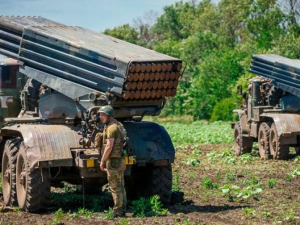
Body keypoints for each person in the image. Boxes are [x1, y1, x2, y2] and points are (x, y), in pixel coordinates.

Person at [97, 105, 127, 217]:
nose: (101, 117)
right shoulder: (119, 125)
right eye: (100, 114)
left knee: (115, 187)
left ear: (109, 116)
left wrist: (102, 161)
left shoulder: (111, 128)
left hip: (113, 161)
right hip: (120, 159)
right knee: (121, 185)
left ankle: (118, 212)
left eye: (103, 115)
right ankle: (122, 209)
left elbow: (109, 146)